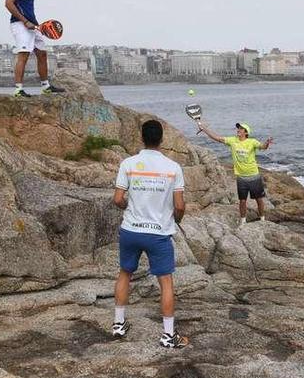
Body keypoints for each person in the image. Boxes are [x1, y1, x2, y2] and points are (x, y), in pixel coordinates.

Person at [111, 120, 188, 349]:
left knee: (125, 273)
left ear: (141, 138)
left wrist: (131, 210)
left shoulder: (128, 163)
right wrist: (177, 219)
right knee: (165, 282)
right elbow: (180, 205)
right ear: (162, 139)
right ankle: (168, 335)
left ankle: (118, 324)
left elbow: (117, 199)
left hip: (131, 230)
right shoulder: (173, 167)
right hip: (158, 234)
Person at [4, 0, 65, 98]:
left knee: (42, 53)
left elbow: (27, 7)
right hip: (20, 24)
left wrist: (36, 24)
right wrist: (25, 21)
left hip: (33, 25)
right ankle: (18, 90)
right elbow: (8, 4)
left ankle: (46, 87)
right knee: (23, 55)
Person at [197, 120, 273, 224]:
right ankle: (243, 221)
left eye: (241, 129)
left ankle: (263, 219)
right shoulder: (233, 140)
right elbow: (217, 138)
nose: (238, 130)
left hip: (253, 176)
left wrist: (267, 143)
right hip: (241, 177)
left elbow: (263, 147)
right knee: (242, 201)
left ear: (246, 132)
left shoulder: (252, 142)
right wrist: (204, 129)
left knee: (259, 199)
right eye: (238, 128)